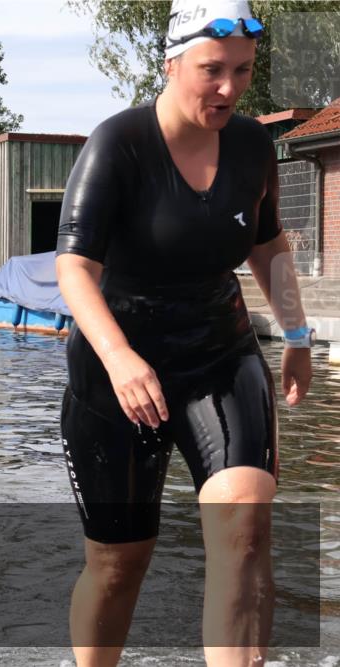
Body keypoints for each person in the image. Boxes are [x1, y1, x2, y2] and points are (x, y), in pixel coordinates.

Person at [54, 2, 313, 665]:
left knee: (246, 529)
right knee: (119, 565)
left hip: (218, 353)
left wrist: (297, 333)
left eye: (243, 71)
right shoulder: (118, 144)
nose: (228, 88)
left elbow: (267, 243)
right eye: (211, 70)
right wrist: (119, 358)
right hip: (117, 367)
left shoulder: (253, 145)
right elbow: (74, 267)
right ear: (171, 64)